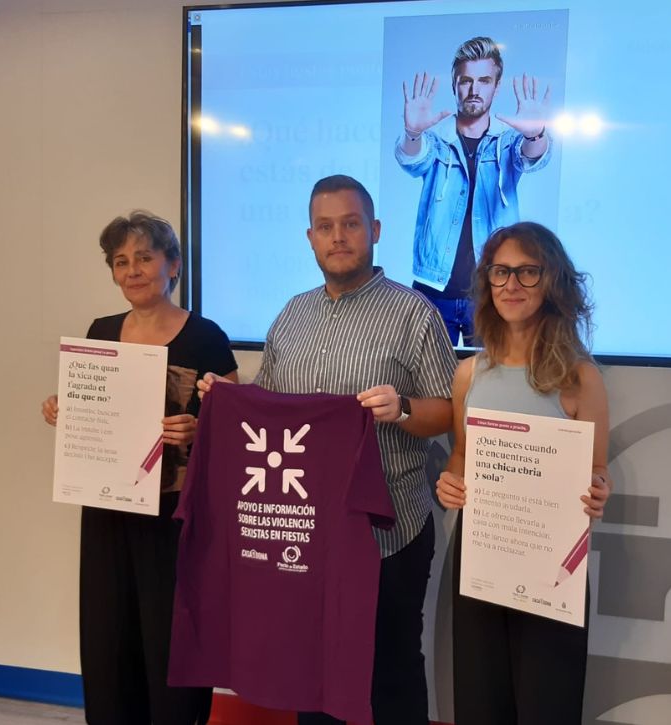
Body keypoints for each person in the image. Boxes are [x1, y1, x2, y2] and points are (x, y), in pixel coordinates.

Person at [199, 175, 457, 725]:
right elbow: (269, 405)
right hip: (305, 534)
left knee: (389, 669)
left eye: (351, 224)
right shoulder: (292, 315)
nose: (338, 237)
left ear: (375, 230)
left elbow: (448, 410)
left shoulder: (415, 314)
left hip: (388, 532)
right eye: (325, 226)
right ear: (310, 238)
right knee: (311, 666)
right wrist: (227, 398)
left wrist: (402, 408)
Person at [40, 211, 238, 724]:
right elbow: (96, 409)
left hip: (174, 521)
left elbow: (239, 428)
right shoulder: (100, 331)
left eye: (145, 258)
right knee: (109, 639)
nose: (132, 271)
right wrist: (65, 409)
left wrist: (199, 430)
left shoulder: (206, 337)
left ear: (173, 265)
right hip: (106, 513)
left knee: (170, 641)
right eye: (120, 261)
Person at [435, 221, 611, 725]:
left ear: (552, 281)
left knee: (546, 706)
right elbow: (461, 459)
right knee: (480, 704)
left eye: (527, 272)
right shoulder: (469, 374)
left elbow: (597, 471)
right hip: (482, 558)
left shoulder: (580, 377)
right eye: (500, 272)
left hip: (551, 568)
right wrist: (450, 484)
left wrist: (598, 490)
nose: (511, 284)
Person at [397, 36, 554, 346]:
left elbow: (532, 157)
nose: (474, 90)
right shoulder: (435, 138)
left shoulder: (508, 139)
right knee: (427, 374)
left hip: (493, 292)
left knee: (493, 375)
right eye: (466, 80)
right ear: (454, 84)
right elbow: (412, 159)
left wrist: (536, 134)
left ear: (496, 86)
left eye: (484, 81)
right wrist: (412, 133)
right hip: (432, 289)